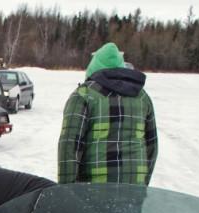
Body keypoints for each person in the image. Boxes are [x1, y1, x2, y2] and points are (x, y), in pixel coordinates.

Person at [58, 42, 158, 185]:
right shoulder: (142, 97)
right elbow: (152, 146)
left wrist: (65, 192)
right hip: (134, 188)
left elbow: (69, 146)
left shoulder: (84, 95)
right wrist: (142, 183)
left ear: (93, 67)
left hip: (92, 192)